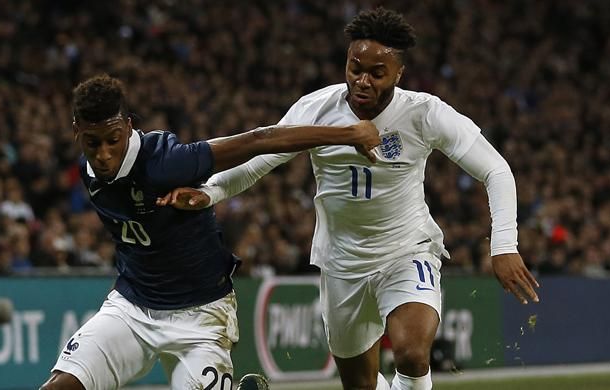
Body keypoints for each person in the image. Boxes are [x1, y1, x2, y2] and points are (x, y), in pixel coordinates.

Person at [158, 8, 540, 390]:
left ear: (398, 74)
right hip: (341, 264)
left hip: (406, 251)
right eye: (355, 67)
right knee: (361, 385)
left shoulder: (424, 114)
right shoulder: (316, 109)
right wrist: (212, 192)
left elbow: (496, 169)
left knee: (411, 353)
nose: (363, 81)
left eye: (377, 73)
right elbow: (260, 160)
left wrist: (504, 245)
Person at [39, 74, 380, 390]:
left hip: (201, 317)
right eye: (92, 142)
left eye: (113, 140)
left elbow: (260, 140)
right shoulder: (87, 170)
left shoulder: (165, 162)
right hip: (132, 308)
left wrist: (348, 135)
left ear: (128, 127)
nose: (103, 154)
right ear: (76, 132)